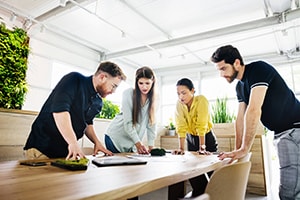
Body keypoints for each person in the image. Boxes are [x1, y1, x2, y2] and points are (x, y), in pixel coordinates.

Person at [211, 44, 300, 200]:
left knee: (289, 193)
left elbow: (254, 110)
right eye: (219, 70)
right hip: (282, 133)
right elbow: (240, 119)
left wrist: (245, 148)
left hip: (294, 130)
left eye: (223, 68)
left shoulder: (258, 69)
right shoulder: (240, 87)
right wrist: (238, 150)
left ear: (236, 63)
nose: (221, 74)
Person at [24, 61, 127, 160]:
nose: (114, 91)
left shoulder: (98, 101)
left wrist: (96, 142)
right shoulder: (74, 79)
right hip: (42, 148)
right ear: (102, 77)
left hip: (65, 152)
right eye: (114, 86)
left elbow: (87, 123)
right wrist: (73, 143)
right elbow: (60, 111)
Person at [173, 78, 218, 197]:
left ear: (192, 91)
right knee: (193, 171)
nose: (181, 97)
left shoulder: (201, 100)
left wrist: (202, 147)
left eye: (184, 93)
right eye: (178, 94)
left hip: (206, 138)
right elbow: (181, 126)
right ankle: (200, 194)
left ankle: (212, 194)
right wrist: (181, 148)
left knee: (209, 171)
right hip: (191, 138)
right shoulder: (179, 104)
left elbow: (201, 125)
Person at [105, 66, 157, 154]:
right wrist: (138, 143)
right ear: (136, 83)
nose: (144, 87)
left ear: (153, 82)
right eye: (141, 83)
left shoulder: (155, 99)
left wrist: (151, 146)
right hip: (115, 139)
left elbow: (152, 124)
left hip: (131, 143)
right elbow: (128, 123)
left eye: (147, 83)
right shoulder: (128, 94)